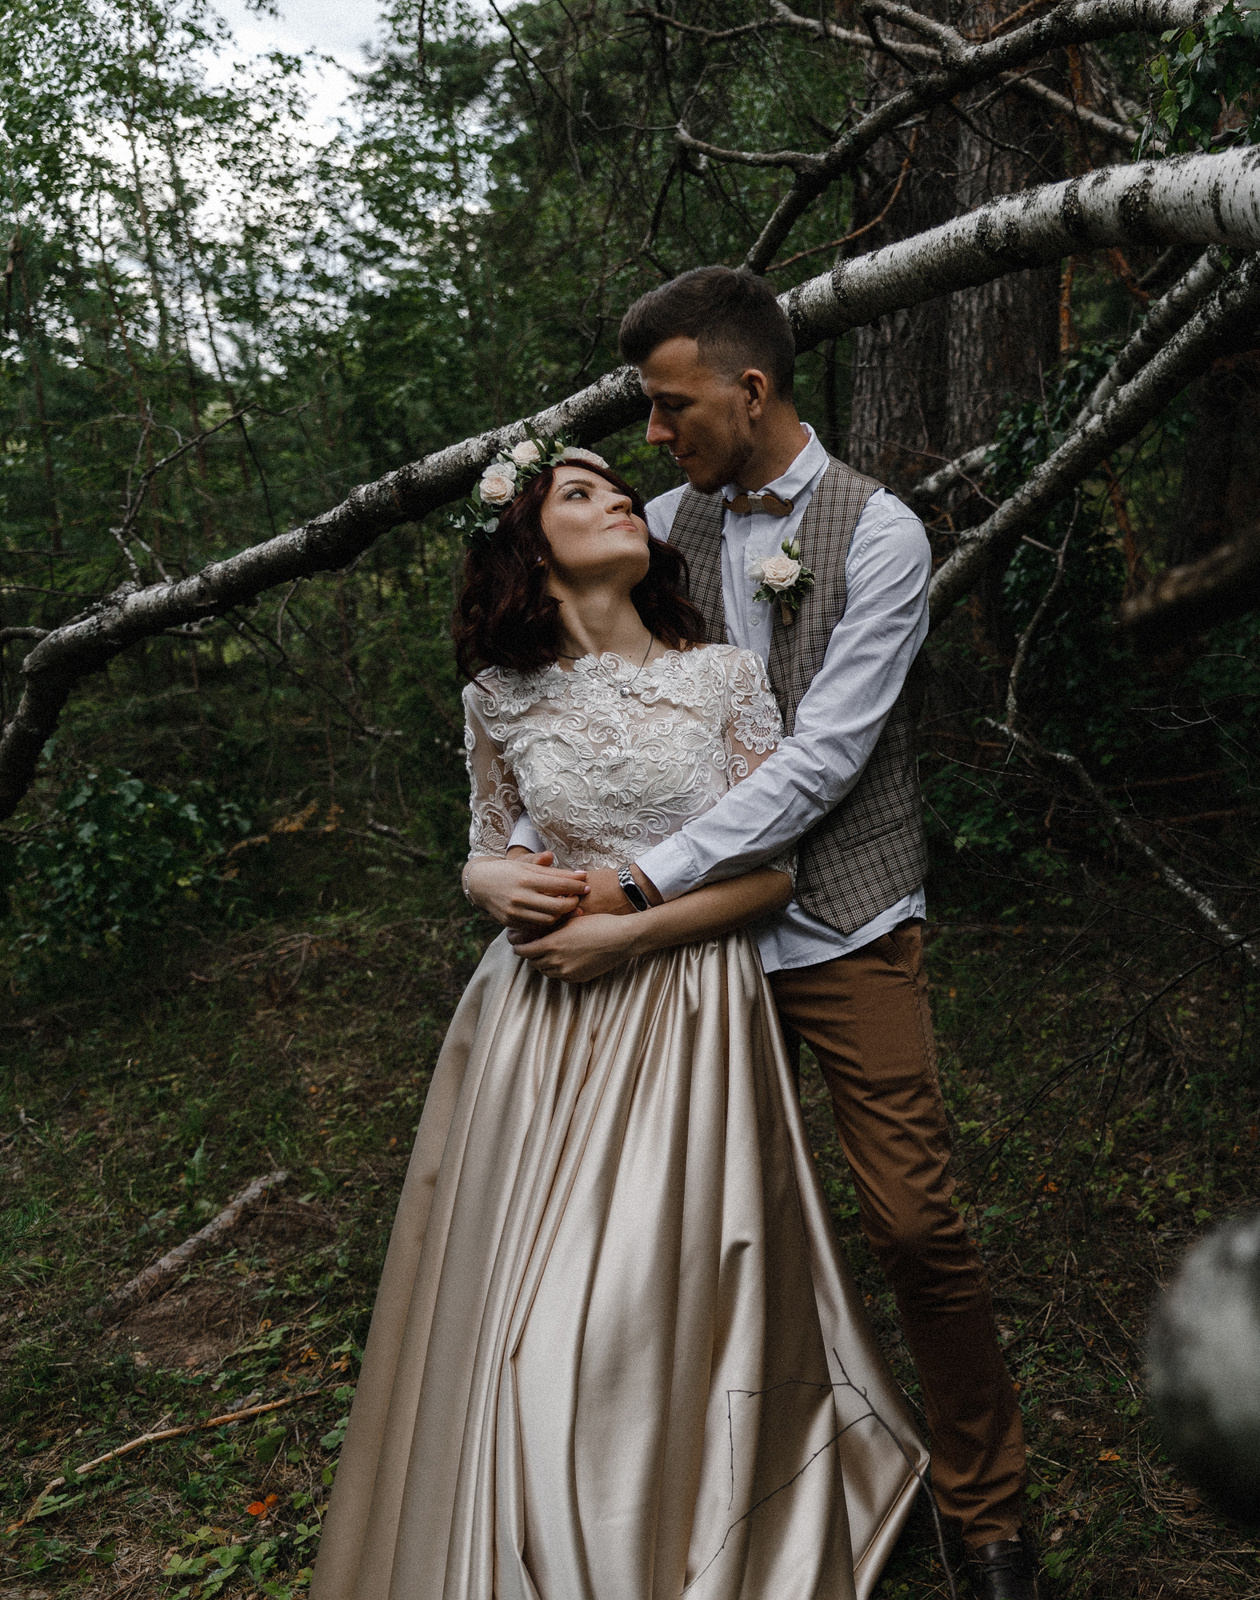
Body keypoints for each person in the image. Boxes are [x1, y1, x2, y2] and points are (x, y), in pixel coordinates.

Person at [465, 267, 1040, 1599]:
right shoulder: (658, 525)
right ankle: (703, 1510)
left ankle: (987, 1507)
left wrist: (639, 889)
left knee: (910, 1223)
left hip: (836, 916)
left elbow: (822, 762)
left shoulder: (879, 534)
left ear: (751, 389)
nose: (655, 439)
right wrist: (498, 871)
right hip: (676, 968)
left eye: (671, 409)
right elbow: (580, 712)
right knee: (685, 1240)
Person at [315, 443, 928, 1598]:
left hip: (686, 1014)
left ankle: (667, 1533)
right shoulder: (496, 697)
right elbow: (494, 839)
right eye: (581, 494)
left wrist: (628, 931)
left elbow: (771, 878)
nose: (620, 502)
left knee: (636, 1319)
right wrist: (481, 882)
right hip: (533, 1034)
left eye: (614, 485)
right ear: (533, 554)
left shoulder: (727, 679)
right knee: (522, 1325)